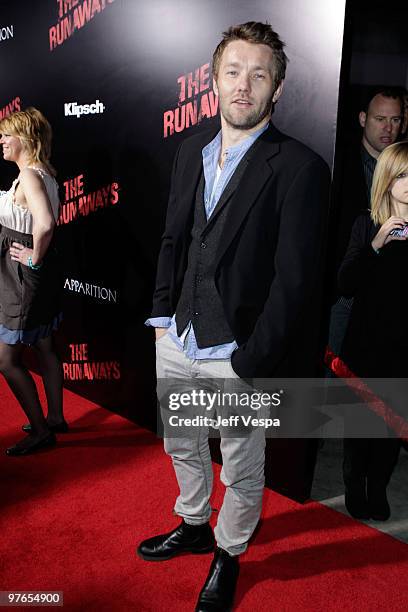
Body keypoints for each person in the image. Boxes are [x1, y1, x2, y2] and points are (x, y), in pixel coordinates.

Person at [137, 21, 330, 611]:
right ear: (214, 81)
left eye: (258, 74)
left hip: (237, 351)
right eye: (233, 71)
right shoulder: (189, 149)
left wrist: (252, 358)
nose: (243, 86)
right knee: (182, 443)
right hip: (178, 334)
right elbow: (176, 237)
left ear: (276, 88)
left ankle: (229, 550)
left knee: (242, 466)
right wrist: (163, 318)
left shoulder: (299, 167)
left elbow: (295, 283)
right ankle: (195, 523)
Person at [338, 141, 408, 521]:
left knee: (392, 427)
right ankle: (353, 481)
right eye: (402, 175)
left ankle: (378, 486)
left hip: (403, 347)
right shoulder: (366, 223)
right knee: (361, 424)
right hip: (366, 344)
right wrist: (376, 246)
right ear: (387, 179)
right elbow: (345, 283)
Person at [0, 107, 66, 456]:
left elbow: (45, 223)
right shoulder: (42, 172)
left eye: (6, 135)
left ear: (24, 139)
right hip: (37, 275)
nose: (1, 141)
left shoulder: (29, 175)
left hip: (24, 276)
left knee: (6, 360)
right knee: (44, 347)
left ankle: (41, 431)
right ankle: (54, 417)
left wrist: (33, 257)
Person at [328, 88, 404, 358]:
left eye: (395, 120)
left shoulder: (403, 164)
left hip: (390, 292)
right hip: (345, 290)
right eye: (380, 119)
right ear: (363, 119)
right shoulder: (338, 163)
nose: (388, 128)